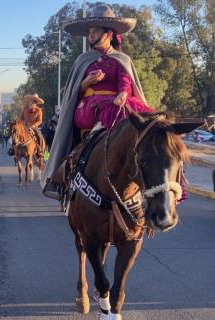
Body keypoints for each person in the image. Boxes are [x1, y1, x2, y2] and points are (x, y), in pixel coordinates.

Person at [41, 5, 154, 199]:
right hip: (88, 107)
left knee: (146, 120)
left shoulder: (122, 59)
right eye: (90, 32)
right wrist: (86, 82)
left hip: (118, 103)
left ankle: (151, 177)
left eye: (95, 31)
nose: (90, 36)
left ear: (108, 33)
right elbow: (71, 92)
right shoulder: (84, 59)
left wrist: (123, 94)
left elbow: (126, 81)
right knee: (107, 107)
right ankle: (60, 179)